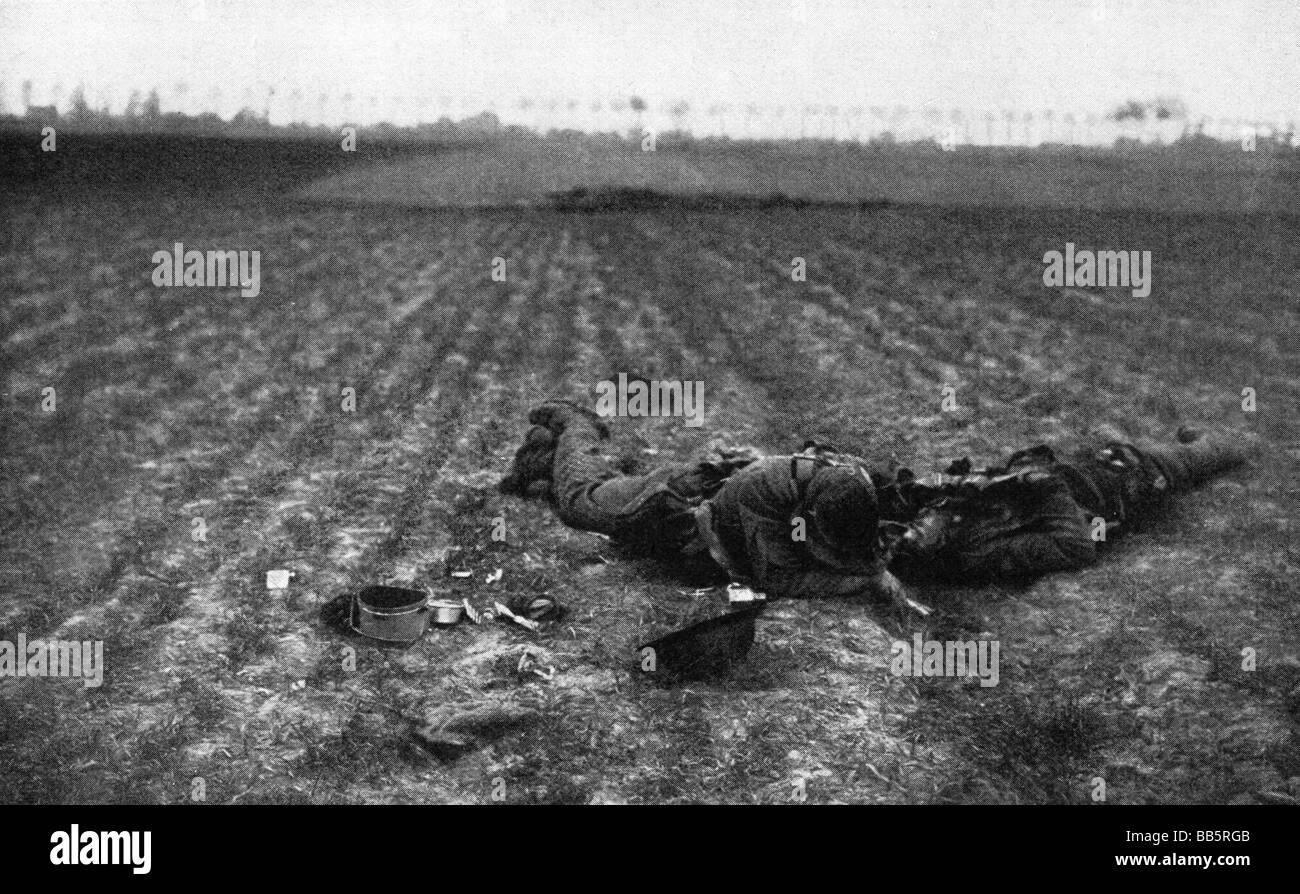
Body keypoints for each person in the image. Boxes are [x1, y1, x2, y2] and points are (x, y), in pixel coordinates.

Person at [499, 400, 908, 605]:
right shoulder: (762, 490)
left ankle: (541, 457)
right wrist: (867, 579)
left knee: (566, 486)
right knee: (580, 500)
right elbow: (777, 577)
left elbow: (871, 511)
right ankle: (574, 423)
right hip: (666, 506)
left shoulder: (849, 477)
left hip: (706, 488)